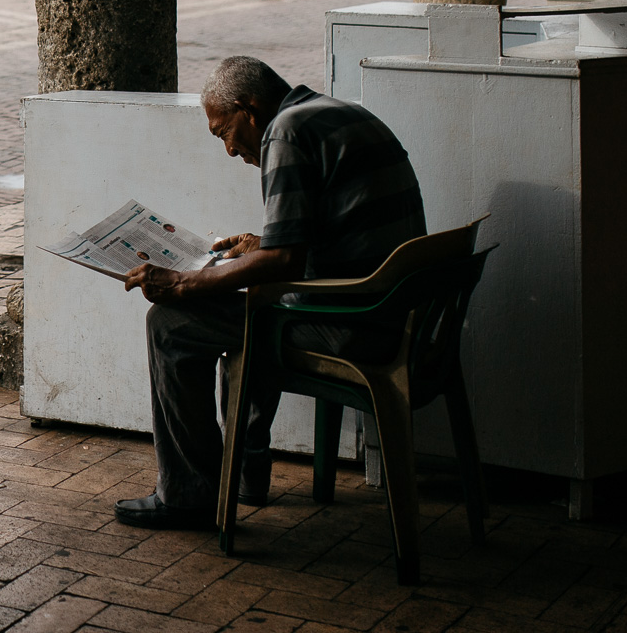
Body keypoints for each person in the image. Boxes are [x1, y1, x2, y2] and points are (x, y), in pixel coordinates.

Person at [113, 56, 427, 530]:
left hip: (350, 324)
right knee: (247, 305)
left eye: (223, 132)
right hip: (389, 311)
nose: (229, 150)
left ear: (249, 109)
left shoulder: (284, 133)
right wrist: (262, 246)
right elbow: (313, 241)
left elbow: (286, 264)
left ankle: (192, 494)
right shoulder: (336, 112)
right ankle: (246, 472)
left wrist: (182, 282)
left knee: (172, 323)